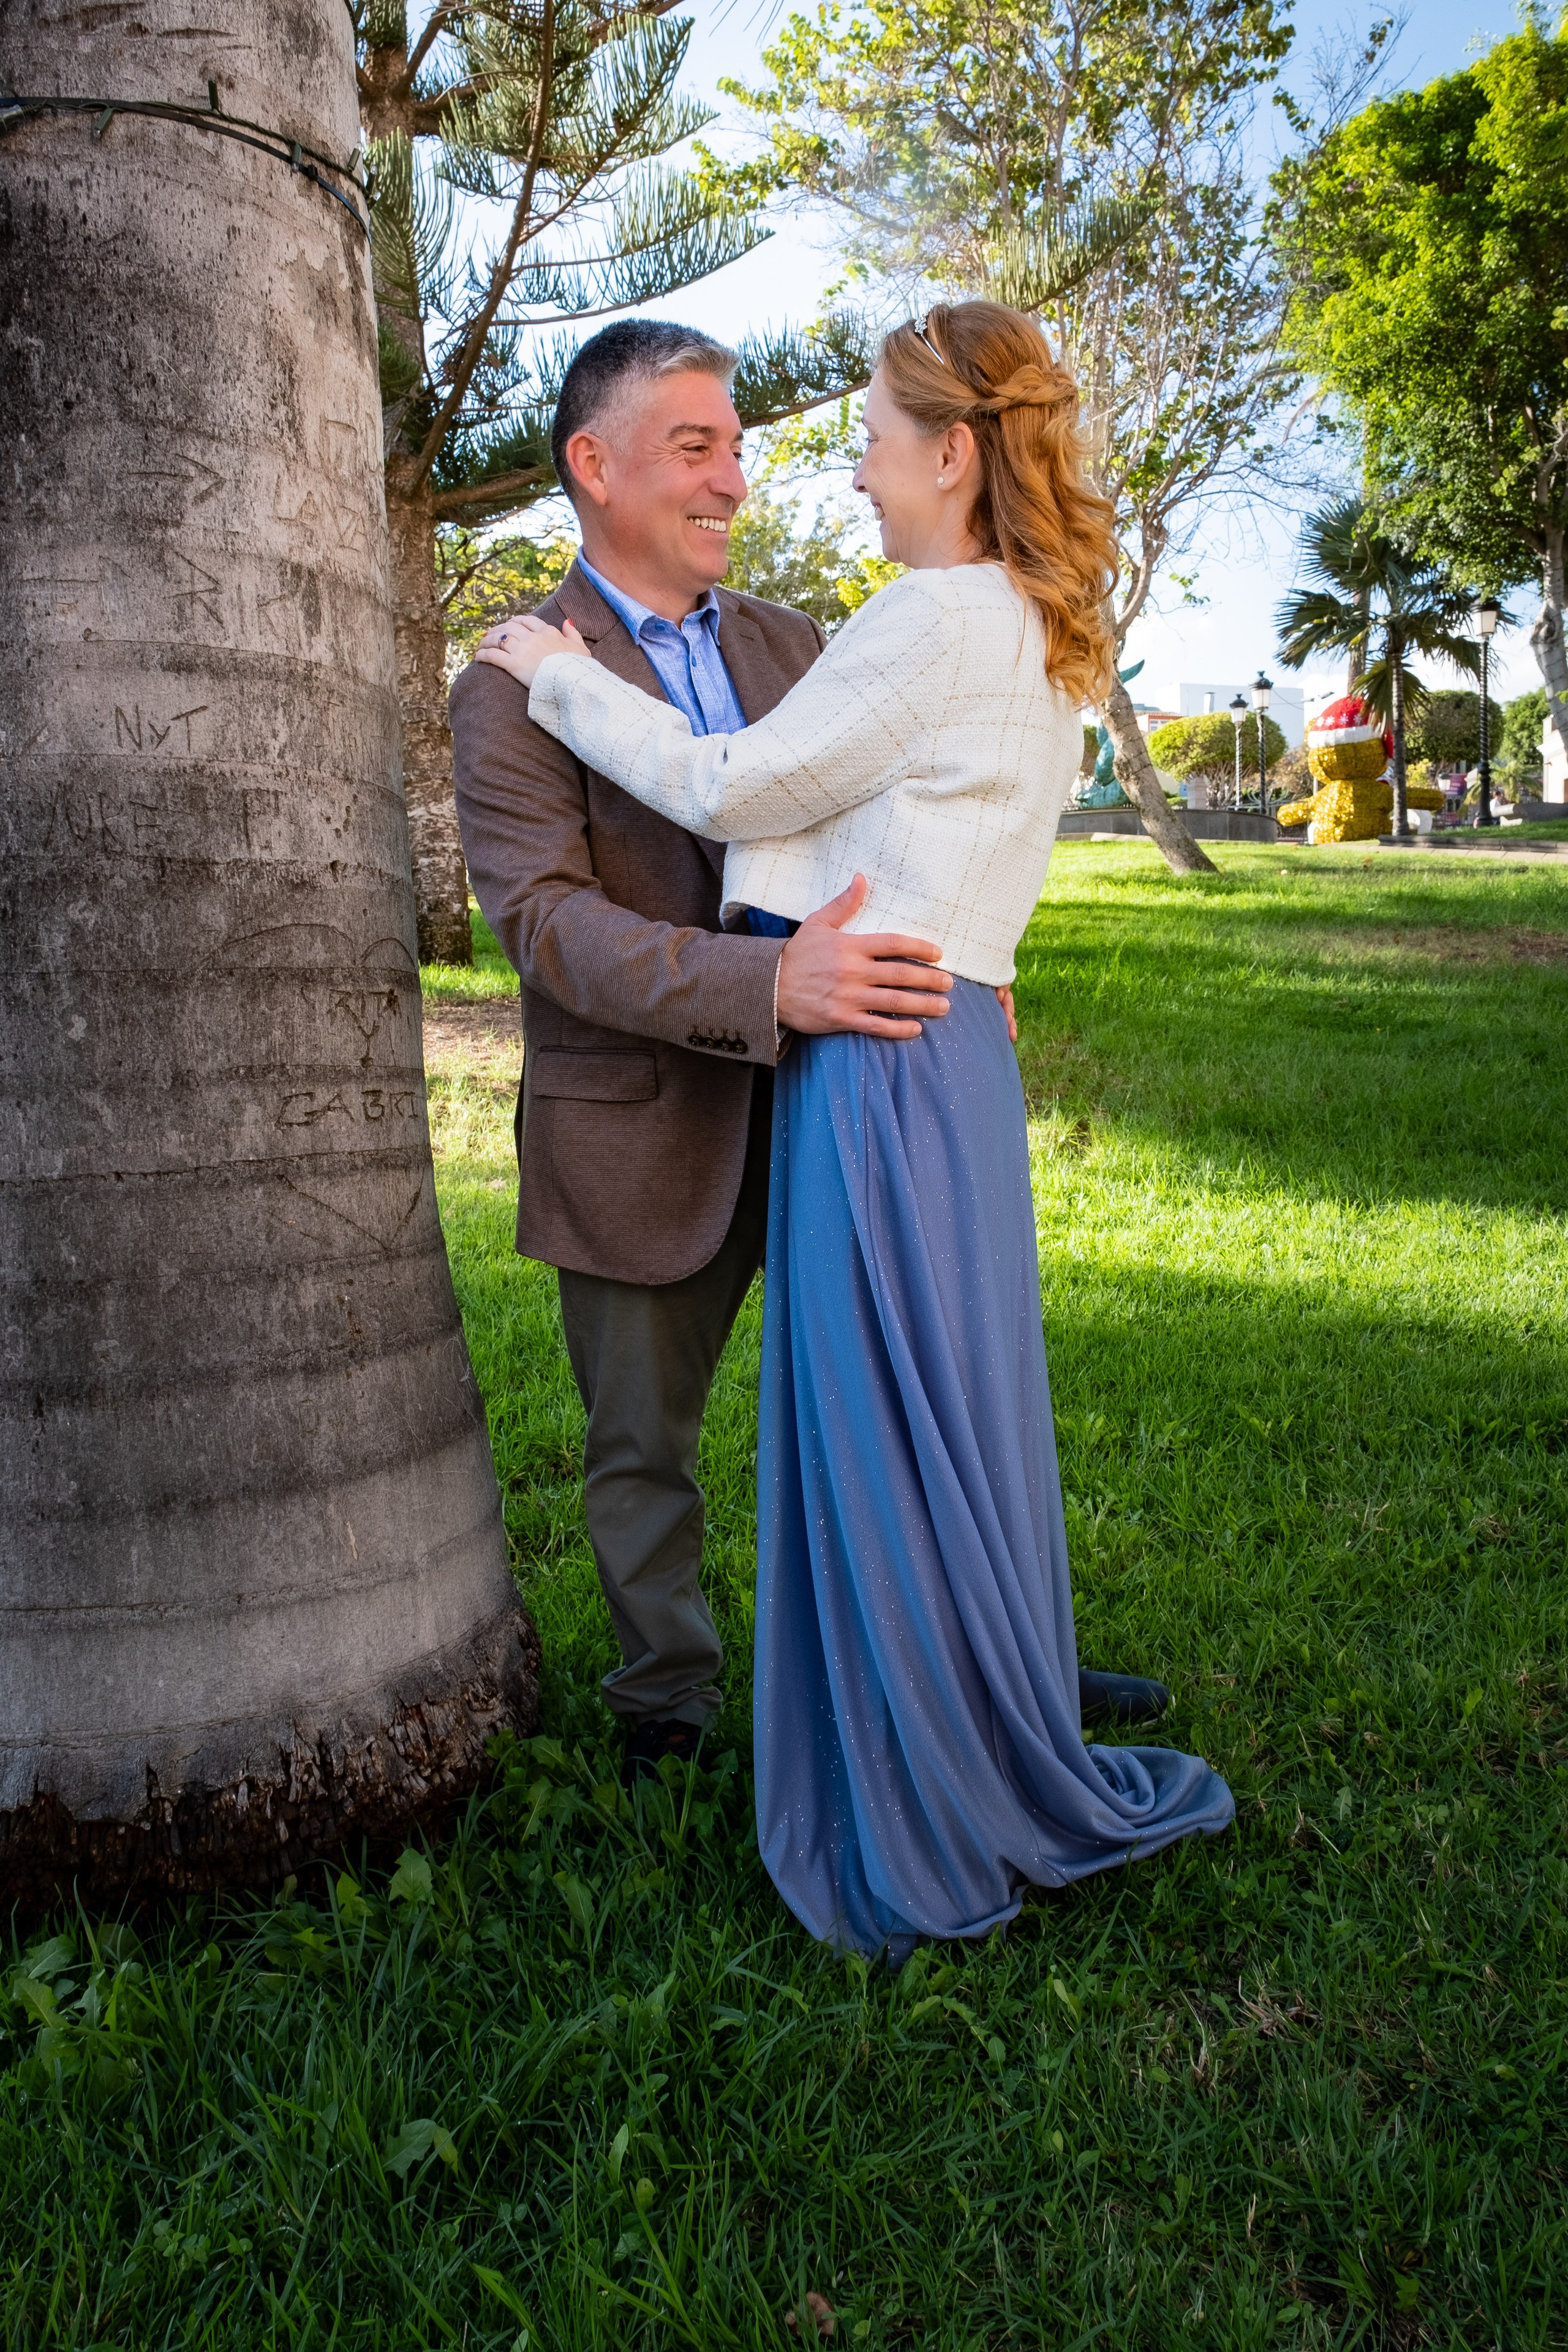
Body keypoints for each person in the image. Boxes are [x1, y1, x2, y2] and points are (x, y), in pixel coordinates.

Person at [473, 301, 1234, 1959]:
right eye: (701, 444)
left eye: (855, 439)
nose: (759, 474)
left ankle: (945, 1725)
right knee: (830, 1428)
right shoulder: (999, 619)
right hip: (749, 1091)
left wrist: (964, 956)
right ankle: (701, 1711)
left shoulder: (850, 628)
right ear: (591, 468)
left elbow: (757, 790)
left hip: (867, 1075)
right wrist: (954, 957)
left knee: (889, 1430)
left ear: (954, 452)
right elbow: (546, 920)